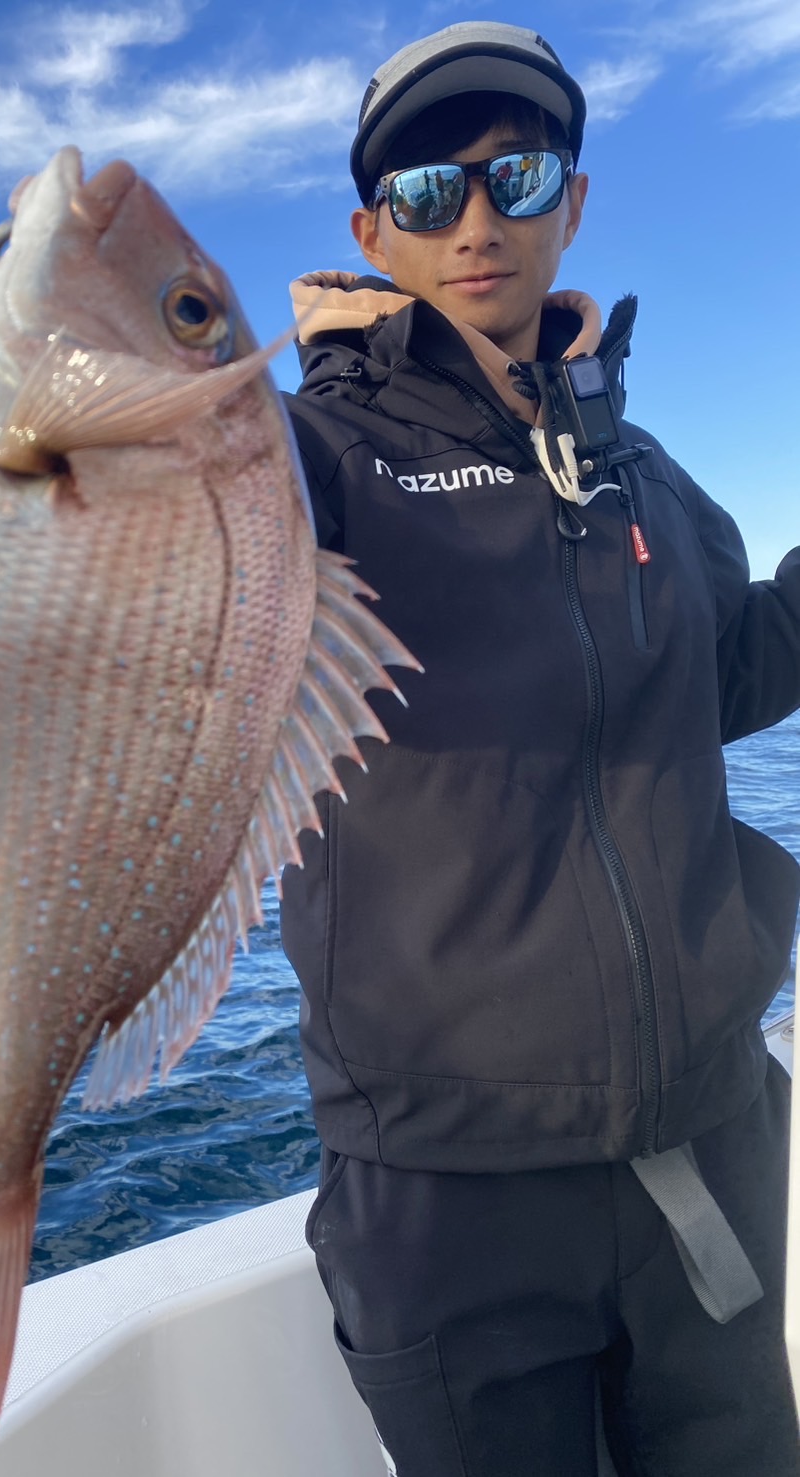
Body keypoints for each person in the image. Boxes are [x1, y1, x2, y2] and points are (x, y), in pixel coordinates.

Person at [278, 20, 800, 1476]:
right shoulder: (307, 462)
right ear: (373, 232)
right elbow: (168, 566)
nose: (477, 222)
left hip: (710, 1135)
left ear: (572, 203)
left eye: (516, 176)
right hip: (449, 1194)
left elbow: (723, 674)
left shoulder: (644, 469)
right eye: (427, 191)